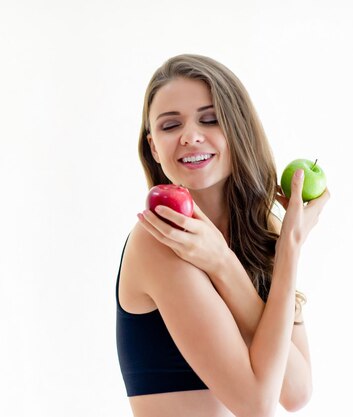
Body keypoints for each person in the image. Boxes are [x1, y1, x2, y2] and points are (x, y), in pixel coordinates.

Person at [115, 54, 330, 417]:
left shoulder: (261, 232)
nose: (190, 136)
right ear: (154, 148)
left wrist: (228, 265)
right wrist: (286, 250)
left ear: (238, 129)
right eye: (170, 126)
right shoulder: (161, 238)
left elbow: (295, 391)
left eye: (210, 119)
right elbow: (257, 405)